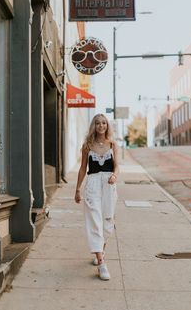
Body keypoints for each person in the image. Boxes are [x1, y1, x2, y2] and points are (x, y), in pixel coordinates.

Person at [74, 113, 119, 281]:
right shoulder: (87, 145)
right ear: (94, 125)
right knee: (94, 221)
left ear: (107, 126)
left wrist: (115, 176)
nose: (101, 126)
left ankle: (101, 250)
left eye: (104, 123)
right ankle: (101, 263)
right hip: (92, 184)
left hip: (108, 185)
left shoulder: (113, 144)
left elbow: (117, 167)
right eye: (98, 123)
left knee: (108, 223)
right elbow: (82, 168)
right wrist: (77, 189)